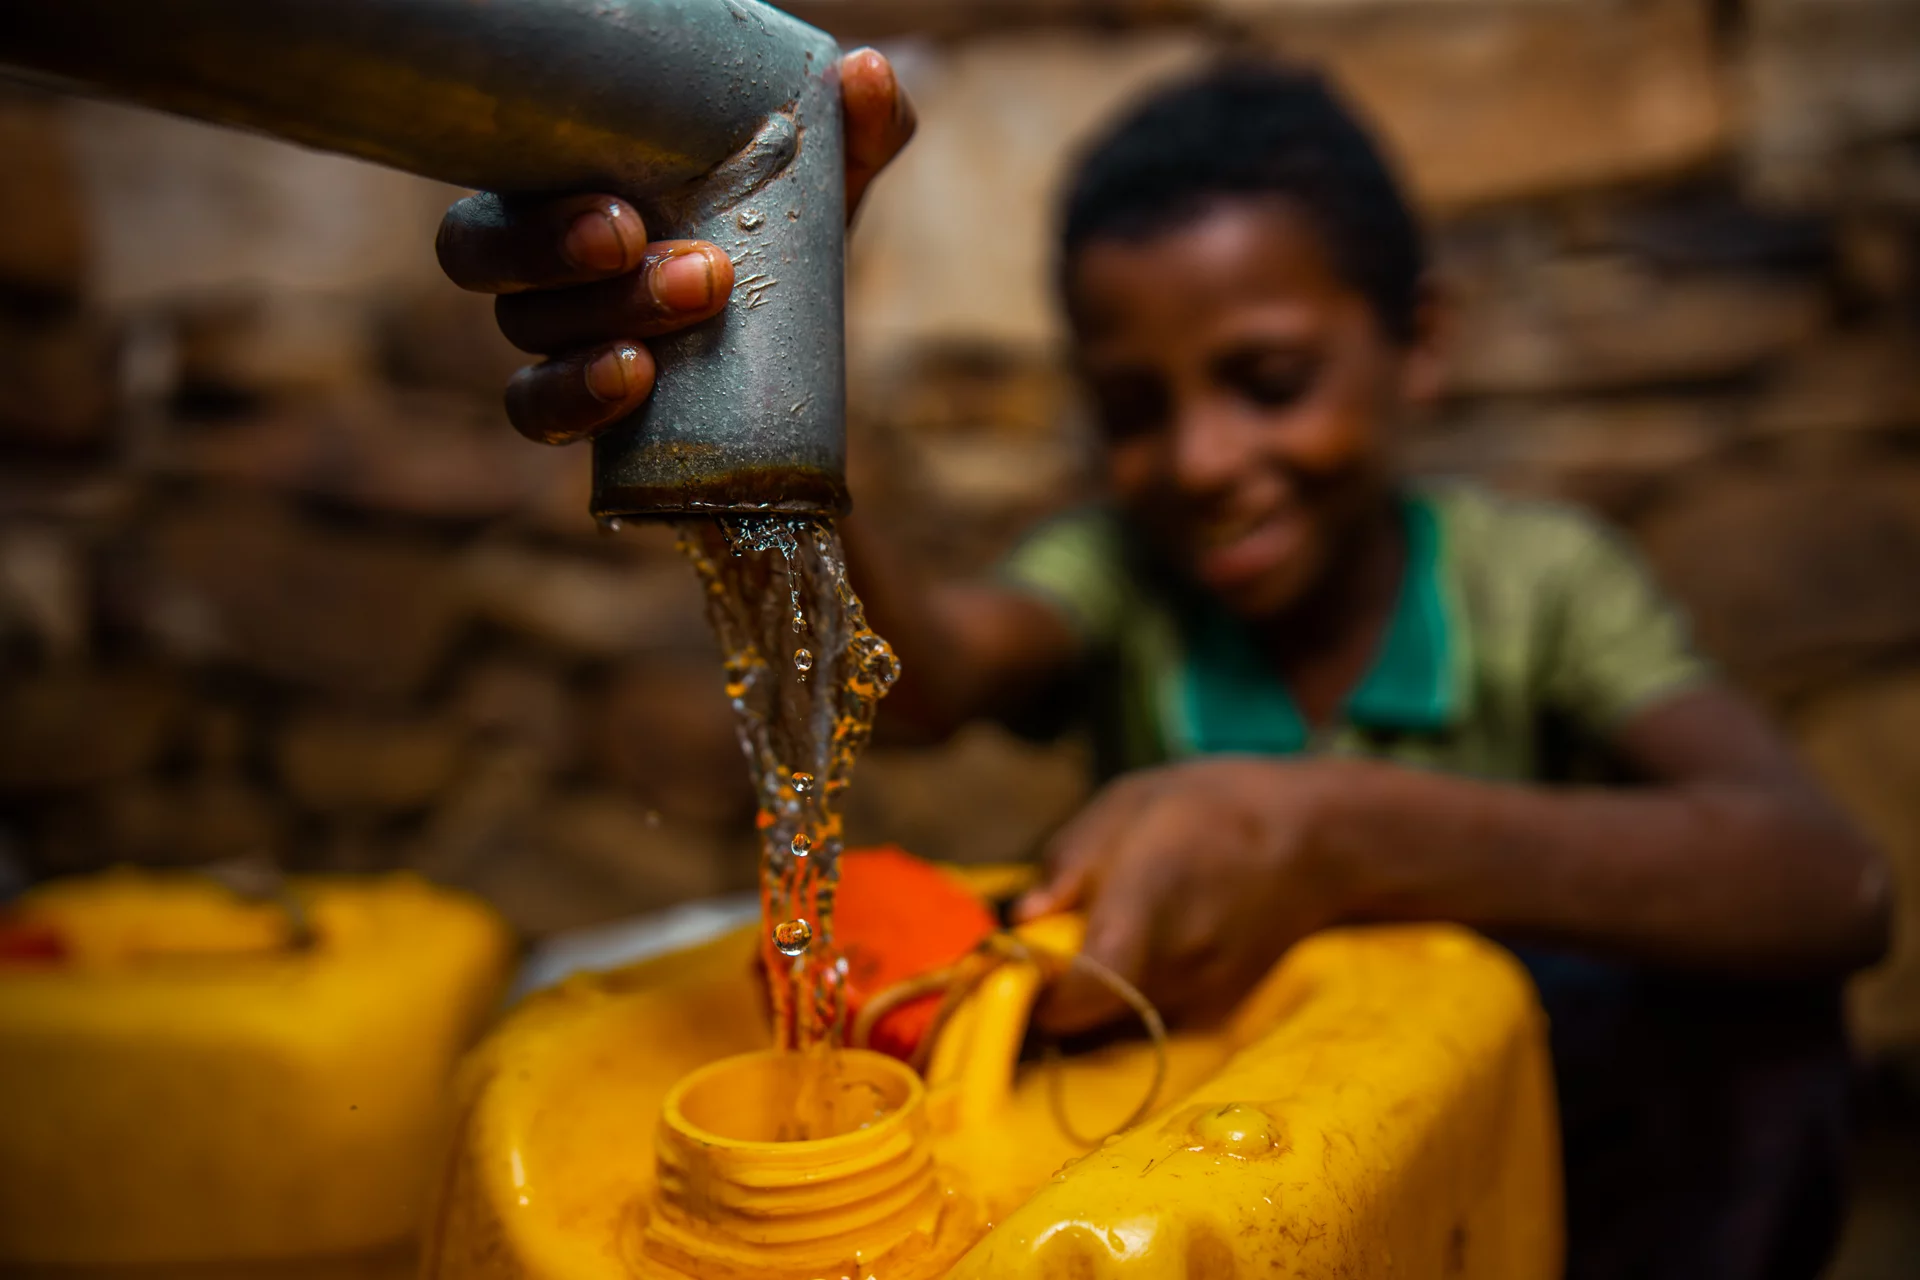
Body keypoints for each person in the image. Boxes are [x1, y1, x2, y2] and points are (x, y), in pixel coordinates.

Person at [433, 51, 1890, 1278]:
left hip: (1501, 1189)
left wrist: (1331, 835)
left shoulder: (1539, 589)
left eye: (1270, 383)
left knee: (1755, 1032)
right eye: (1135, 410)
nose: (1201, 461)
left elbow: (1829, 885)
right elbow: (923, 678)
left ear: (1419, 345)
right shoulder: (1119, 578)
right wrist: (769, 362)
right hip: (1212, 1203)